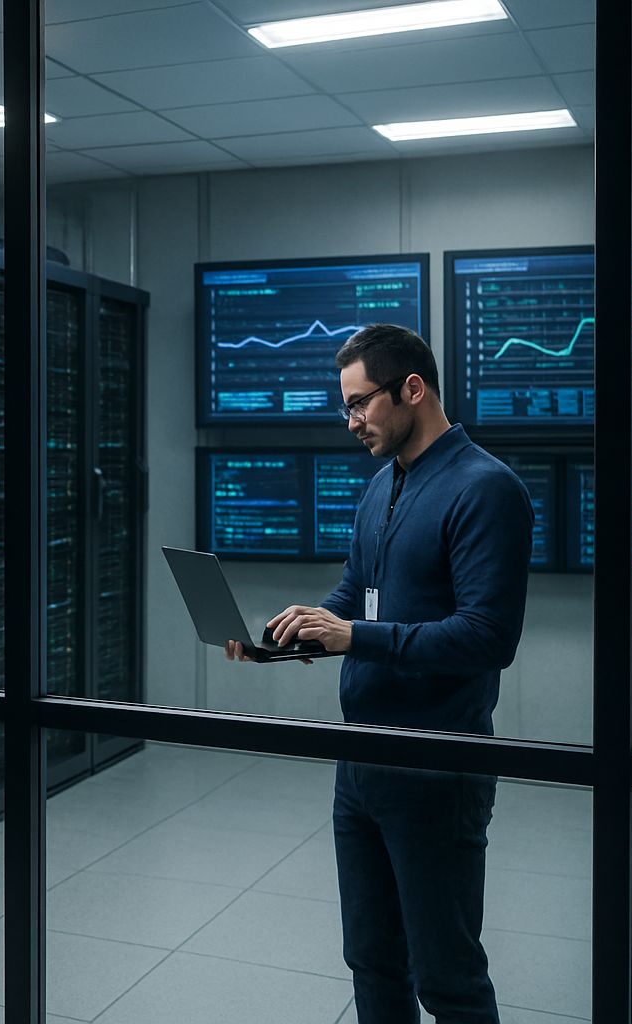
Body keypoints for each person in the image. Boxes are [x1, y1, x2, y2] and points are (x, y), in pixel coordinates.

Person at [226, 323, 533, 1024]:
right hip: (361, 764)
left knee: (447, 978)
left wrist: (355, 635)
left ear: (412, 390)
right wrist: (292, 633)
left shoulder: (486, 490)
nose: (352, 422)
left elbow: (488, 637)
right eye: (346, 406)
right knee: (371, 961)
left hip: (435, 767)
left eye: (361, 404)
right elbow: (356, 592)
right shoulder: (382, 487)